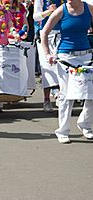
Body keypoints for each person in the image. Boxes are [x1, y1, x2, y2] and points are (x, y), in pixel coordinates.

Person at [41, 0, 93, 143]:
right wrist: (47, 54)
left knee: (90, 94)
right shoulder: (60, 10)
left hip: (86, 56)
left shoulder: (88, 8)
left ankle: (85, 124)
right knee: (66, 95)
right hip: (66, 57)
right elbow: (44, 32)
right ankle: (63, 131)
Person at [33, 0, 64, 112]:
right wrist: (48, 12)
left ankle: (61, 96)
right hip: (45, 35)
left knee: (61, 65)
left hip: (62, 34)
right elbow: (36, 17)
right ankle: (46, 99)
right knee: (46, 66)